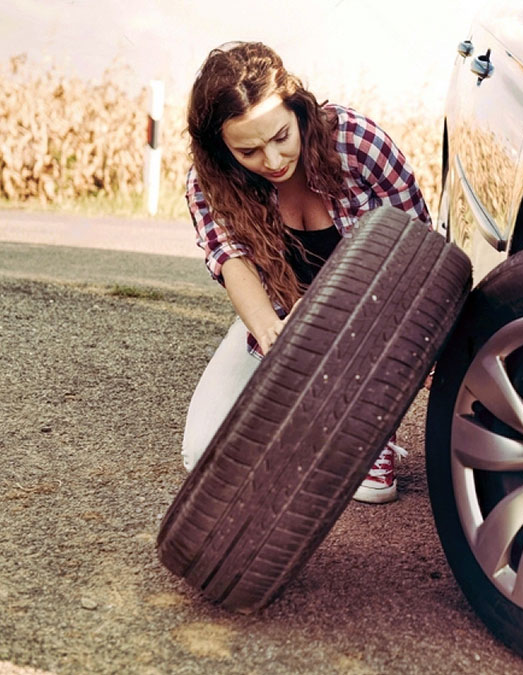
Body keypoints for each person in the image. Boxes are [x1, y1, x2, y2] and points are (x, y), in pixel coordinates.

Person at [179, 41, 430, 504]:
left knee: (373, 490)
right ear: (222, 148)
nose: (272, 162)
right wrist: (272, 332)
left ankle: (364, 423)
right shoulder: (207, 180)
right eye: (249, 151)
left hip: (377, 318)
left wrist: (422, 344)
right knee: (203, 456)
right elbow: (230, 259)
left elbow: (418, 247)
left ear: (297, 110)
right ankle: (326, 423)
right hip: (285, 317)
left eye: (280, 137)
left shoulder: (356, 141)